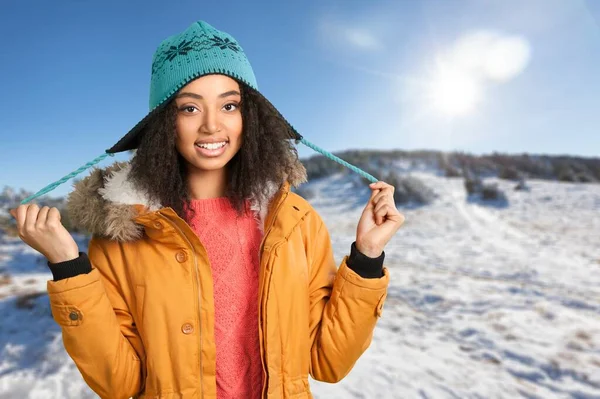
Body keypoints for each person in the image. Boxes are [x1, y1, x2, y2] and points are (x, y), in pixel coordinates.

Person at [10, 20, 404, 399]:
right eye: (190, 108)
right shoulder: (125, 233)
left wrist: (367, 257)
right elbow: (119, 383)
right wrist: (68, 267)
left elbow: (328, 361)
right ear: (165, 122)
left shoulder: (295, 223)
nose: (213, 126)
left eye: (229, 105)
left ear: (251, 117)